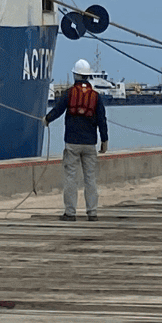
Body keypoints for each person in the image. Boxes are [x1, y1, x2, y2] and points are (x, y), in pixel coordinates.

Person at [46, 59, 107, 221]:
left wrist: (46, 119)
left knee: (71, 178)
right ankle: (92, 213)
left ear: (75, 75)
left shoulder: (69, 93)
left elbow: (58, 110)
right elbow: (102, 119)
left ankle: (70, 213)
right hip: (90, 143)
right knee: (90, 179)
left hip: (72, 142)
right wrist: (104, 140)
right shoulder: (96, 96)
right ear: (88, 76)